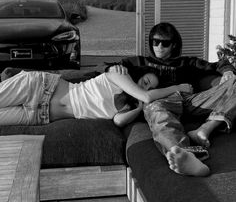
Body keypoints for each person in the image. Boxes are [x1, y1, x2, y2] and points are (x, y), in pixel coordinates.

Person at [107, 22, 236, 177]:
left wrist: (228, 71)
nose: (159, 46)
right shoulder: (139, 62)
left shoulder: (187, 63)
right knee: (157, 112)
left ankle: (205, 129)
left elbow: (218, 64)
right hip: (159, 102)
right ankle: (186, 156)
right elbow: (109, 67)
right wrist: (113, 68)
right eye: (156, 42)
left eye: (165, 43)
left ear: (174, 45)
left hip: (191, 101)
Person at [0, 66, 193, 128]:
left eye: (151, 86)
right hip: (38, 87)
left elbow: (118, 121)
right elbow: (147, 96)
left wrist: (139, 107)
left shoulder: (128, 105)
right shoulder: (118, 76)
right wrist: (177, 87)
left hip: (39, 116)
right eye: (146, 80)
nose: (147, 85)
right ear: (139, 74)